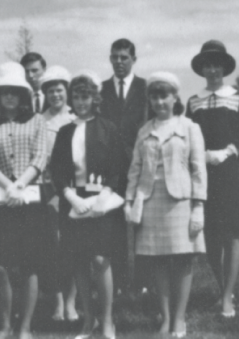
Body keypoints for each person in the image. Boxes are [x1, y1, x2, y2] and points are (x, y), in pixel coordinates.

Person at [125, 72, 207, 337]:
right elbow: (135, 169)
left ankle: (180, 319)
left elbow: (198, 169)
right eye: (154, 96)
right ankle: (165, 317)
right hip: (150, 201)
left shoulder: (189, 127)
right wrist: (129, 201)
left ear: (175, 98)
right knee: (158, 260)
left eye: (164, 96)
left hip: (180, 201)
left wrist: (198, 206)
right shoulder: (144, 130)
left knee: (183, 259)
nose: (159, 102)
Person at [0, 62, 52, 339]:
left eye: (15, 92)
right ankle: (4, 325)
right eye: (4, 92)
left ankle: (25, 328)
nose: (9, 97)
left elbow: (40, 157)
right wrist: (8, 187)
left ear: (23, 95)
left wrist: (20, 185)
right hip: (0, 201)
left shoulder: (36, 121)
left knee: (29, 264)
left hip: (29, 202)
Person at [50, 71, 123, 339]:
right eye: (77, 97)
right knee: (79, 260)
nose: (81, 102)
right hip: (74, 201)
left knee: (100, 258)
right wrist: (71, 197)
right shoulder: (65, 131)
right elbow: (56, 169)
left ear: (95, 98)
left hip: (103, 199)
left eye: (86, 96)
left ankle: (107, 322)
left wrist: (104, 196)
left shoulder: (108, 127)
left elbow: (117, 166)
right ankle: (88, 319)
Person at [187, 40, 239, 318]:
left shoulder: (236, 95)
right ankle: (223, 288)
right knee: (211, 236)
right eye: (207, 65)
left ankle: (227, 298)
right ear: (202, 69)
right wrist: (202, 155)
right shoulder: (194, 101)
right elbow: (189, 136)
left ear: (223, 67)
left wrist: (228, 152)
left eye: (216, 64)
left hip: (228, 171)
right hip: (203, 173)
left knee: (231, 234)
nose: (212, 70)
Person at [100, 38, 153, 297]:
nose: (119, 62)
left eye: (124, 57)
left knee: (142, 224)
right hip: (112, 168)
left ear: (134, 59)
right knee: (115, 226)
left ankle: (144, 281)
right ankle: (118, 282)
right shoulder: (102, 90)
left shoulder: (146, 88)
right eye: (115, 57)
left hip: (142, 164)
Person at [38, 65, 78, 322]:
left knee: (73, 244)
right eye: (50, 91)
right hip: (47, 189)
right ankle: (58, 301)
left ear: (67, 91)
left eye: (59, 90)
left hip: (74, 188)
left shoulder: (76, 117)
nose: (55, 95)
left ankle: (73, 301)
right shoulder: (39, 120)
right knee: (52, 246)